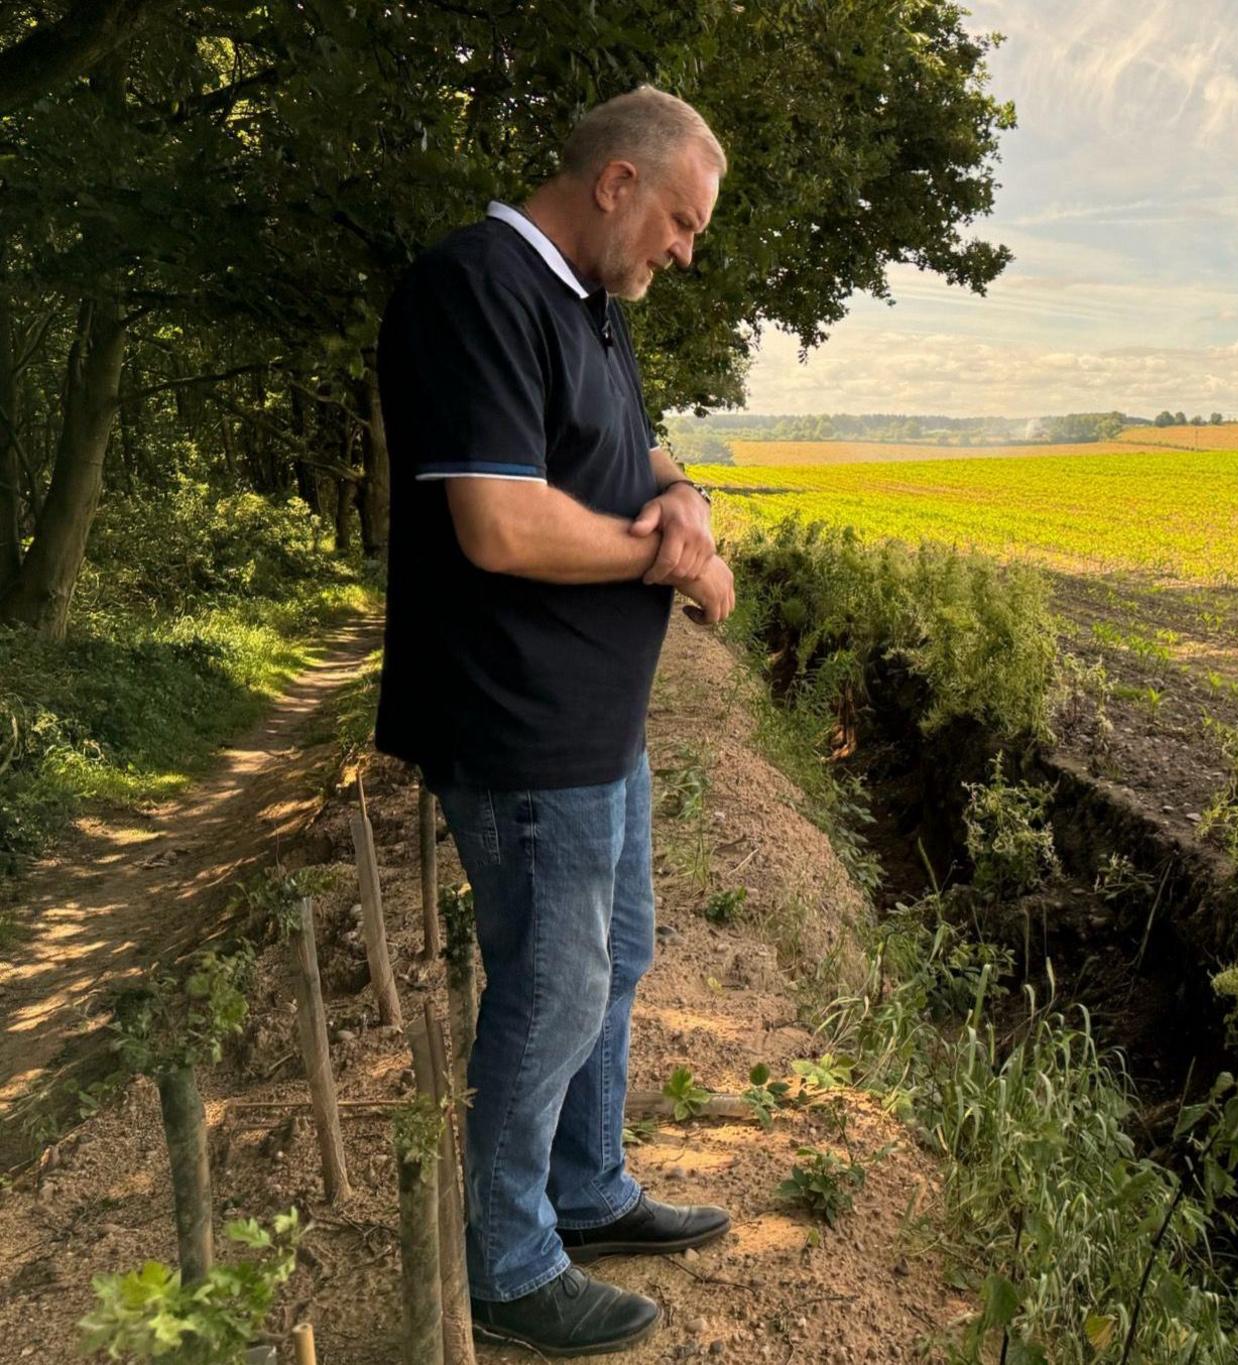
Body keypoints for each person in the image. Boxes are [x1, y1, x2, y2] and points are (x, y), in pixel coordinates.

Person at [373, 85, 737, 1357]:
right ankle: (510, 1262)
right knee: (547, 989)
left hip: (598, 724)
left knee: (612, 965)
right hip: (517, 726)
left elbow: (634, 455)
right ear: (618, 185)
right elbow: (501, 522)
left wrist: (681, 493)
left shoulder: (590, 312)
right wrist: (670, 564)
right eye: (682, 223)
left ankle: (587, 1190)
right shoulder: (477, 287)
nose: (686, 253)